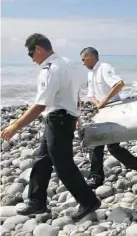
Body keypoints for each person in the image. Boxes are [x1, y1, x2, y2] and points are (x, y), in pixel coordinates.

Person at [1, 34, 101, 221]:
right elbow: (74, 92)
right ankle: (36, 202)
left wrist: (15, 126)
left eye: (31, 53)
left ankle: (89, 201)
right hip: (63, 118)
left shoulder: (51, 69)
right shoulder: (68, 64)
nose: (31, 59)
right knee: (42, 161)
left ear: (38, 49)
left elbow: (40, 105)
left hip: (59, 120)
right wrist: (76, 114)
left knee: (63, 166)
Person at [80, 47, 137, 189]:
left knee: (110, 146)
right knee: (101, 144)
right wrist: (98, 104)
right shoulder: (90, 73)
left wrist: (104, 102)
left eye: (83, 59)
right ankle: (97, 177)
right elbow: (90, 94)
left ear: (90, 57)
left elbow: (119, 84)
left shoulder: (104, 68)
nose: (82, 63)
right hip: (102, 111)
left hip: (114, 109)